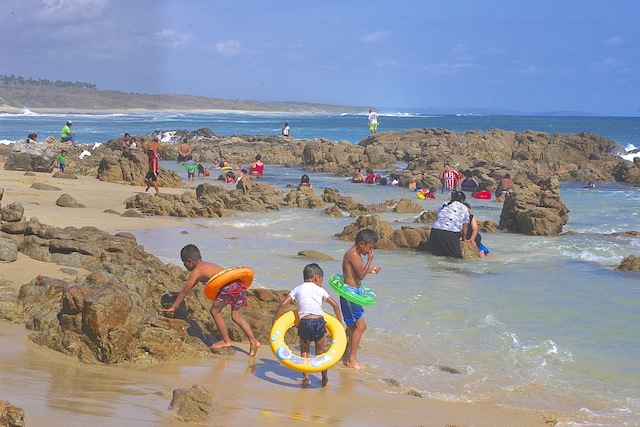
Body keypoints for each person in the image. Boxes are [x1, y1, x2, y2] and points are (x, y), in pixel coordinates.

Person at [161, 244, 260, 356]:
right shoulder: (207, 265)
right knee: (236, 316)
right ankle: (253, 341)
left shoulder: (197, 271)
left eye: (184, 264)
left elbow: (185, 291)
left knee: (214, 311)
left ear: (189, 261)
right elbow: (188, 288)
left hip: (229, 288)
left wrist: (173, 307)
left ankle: (226, 340)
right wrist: (179, 293)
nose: (185, 266)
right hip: (239, 285)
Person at [273, 263, 343, 386]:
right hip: (319, 321)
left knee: (304, 351)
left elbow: (283, 304)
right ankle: (325, 379)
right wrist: (339, 324)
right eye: (321, 280)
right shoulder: (320, 290)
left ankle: (306, 378)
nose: (321, 283)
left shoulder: (297, 289)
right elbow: (335, 305)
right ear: (316, 277)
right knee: (320, 353)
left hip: (305, 322)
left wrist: (276, 320)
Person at [341, 229, 382, 369]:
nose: (370, 251)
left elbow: (357, 273)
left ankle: (344, 355)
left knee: (353, 326)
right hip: (350, 293)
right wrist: (370, 261)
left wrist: (370, 270)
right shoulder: (352, 254)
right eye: (369, 247)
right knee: (361, 326)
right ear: (361, 244)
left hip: (354, 292)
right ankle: (351, 360)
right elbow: (361, 275)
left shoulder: (355, 253)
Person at [428, 191, 470, 258]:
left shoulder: (444, 204)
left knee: (436, 256)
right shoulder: (464, 208)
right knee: (457, 259)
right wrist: (464, 239)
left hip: (435, 231)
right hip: (451, 233)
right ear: (462, 200)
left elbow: (438, 217)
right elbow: (465, 225)